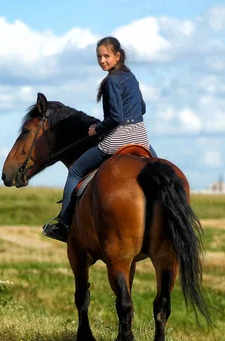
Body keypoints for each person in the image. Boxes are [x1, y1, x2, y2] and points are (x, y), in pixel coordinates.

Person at [43, 36, 158, 242]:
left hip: (118, 137)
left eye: (107, 56)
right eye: (99, 57)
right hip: (141, 136)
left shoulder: (112, 80)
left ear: (118, 55)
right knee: (158, 170)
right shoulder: (131, 77)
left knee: (76, 171)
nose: (102, 60)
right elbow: (143, 108)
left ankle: (64, 223)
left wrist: (97, 129)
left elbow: (116, 118)